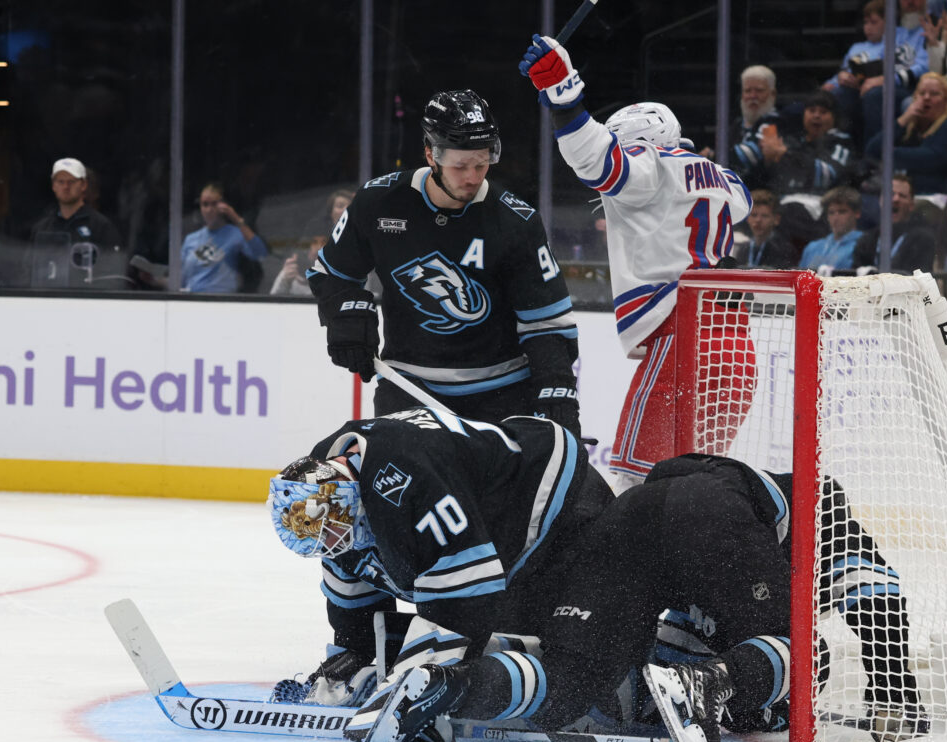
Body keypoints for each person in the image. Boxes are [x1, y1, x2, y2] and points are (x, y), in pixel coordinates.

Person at [267, 408, 924, 742]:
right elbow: (875, 597)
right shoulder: (824, 502)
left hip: (624, 524)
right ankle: (710, 683)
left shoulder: (382, 462)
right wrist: (897, 693)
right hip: (678, 516)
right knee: (803, 654)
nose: (334, 541)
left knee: (575, 679)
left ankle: (460, 690)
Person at [517, 35, 754, 486]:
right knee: (691, 484)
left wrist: (564, 96)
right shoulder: (727, 181)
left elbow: (595, 158)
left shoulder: (652, 165)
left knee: (635, 480)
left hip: (682, 336)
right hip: (735, 345)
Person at [307, 89, 581, 436]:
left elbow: (548, 324)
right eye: (460, 166)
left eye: (481, 164)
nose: (472, 177)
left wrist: (557, 393)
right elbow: (331, 273)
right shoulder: (379, 202)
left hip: (502, 393)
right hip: (407, 387)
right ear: (430, 155)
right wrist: (344, 313)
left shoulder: (515, 221)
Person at [825, 0, 932, 145]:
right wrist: (846, 77)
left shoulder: (928, 29)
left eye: (873, 22)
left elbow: (923, 67)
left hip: (910, 88)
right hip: (879, 85)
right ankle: (845, 150)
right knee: (842, 93)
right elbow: (876, 62)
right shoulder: (892, 34)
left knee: (875, 95)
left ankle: (874, 154)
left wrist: (886, 79)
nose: (909, 1)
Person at [760, 91, 856, 247]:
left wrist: (785, 155)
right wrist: (766, 160)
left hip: (818, 206)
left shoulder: (840, 142)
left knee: (785, 215)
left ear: (834, 117)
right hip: (784, 204)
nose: (816, 116)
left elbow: (827, 174)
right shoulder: (794, 143)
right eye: (811, 111)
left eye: (823, 112)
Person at [865, 72, 947, 195]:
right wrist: (904, 119)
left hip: (937, 195)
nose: (927, 97)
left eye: (934, 94)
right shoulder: (909, 129)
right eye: (922, 93)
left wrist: (889, 152)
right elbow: (872, 150)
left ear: (946, 101)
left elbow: (932, 158)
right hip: (900, 195)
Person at [27, 157, 125, 288]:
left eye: (71, 182)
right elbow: (27, 270)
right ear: (53, 186)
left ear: (83, 185)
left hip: (86, 302)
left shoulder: (102, 226)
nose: (66, 187)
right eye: (60, 182)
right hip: (46, 301)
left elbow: (113, 276)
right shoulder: (42, 228)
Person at [704, 64, 796, 192]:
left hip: (761, 196)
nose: (752, 96)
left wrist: (711, 157)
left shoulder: (774, 122)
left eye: (759, 90)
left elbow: (750, 154)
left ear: (773, 94)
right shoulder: (736, 124)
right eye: (748, 91)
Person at [180, 182, 270, 293]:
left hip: (222, 300)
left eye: (214, 204)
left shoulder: (235, 234)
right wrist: (156, 281)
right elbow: (181, 279)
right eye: (205, 204)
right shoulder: (191, 239)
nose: (209, 210)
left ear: (223, 205)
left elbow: (260, 254)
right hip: (192, 300)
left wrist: (235, 218)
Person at [271, 189, 353, 296]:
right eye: (314, 242)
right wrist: (285, 280)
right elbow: (273, 301)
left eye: (324, 242)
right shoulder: (293, 270)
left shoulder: (350, 266)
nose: (319, 247)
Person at [852, 174, 938, 271]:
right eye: (891, 194)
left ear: (911, 205)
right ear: (880, 200)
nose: (896, 199)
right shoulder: (867, 240)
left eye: (902, 196)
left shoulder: (924, 240)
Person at [800, 186, 865, 271]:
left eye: (842, 211)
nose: (836, 217)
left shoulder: (865, 246)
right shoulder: (812, 248)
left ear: (857, 213)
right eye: (831, 212)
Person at [734, 189, 797, 267]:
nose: (758, 220)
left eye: (764, 216)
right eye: (754, 215)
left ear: (776, 219)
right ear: (747, 218)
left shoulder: (784, 250)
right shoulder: (743, 249)